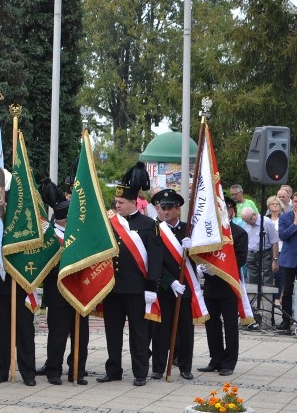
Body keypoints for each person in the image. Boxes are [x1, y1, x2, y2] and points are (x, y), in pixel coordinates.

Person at [98, 162, 162, 386]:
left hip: (136, 289)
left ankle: (140, 372)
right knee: (112, 331)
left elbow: (155, 258)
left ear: (134, 202)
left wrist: (151, 287)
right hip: (112, 287)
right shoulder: (110, 223)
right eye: (116, 202)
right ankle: (113, 369)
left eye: (121, 203)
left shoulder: (148, 224)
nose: (117, 206)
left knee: (139, 333)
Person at [38, 178, 89, 386]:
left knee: (81, 335)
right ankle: (54, 371)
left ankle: (77, 370)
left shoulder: (78, 236)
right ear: (64, 218)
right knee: (57, 335)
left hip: (79, 291)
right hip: (57, 293)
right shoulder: (49, 237)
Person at [198, 197, 248, 376]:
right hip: (211, 285)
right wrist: (202, 267)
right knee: (211, 324)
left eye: (226, 209)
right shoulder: (210, 232)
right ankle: (216, 359)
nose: (223, 212)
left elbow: (240, 259)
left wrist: (218, 269)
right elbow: (202, 252)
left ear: (232, 211)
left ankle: (229, 362)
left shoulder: (239, 233)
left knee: (230, 325)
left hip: (228, 285)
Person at [150, 188, 193, 380]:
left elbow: (199, 260)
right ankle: (158, 368)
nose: (165, 212)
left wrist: (193, 251)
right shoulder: (155, 231)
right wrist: (171, 281)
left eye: (169, 208)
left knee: (185, 329)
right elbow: (152, 262)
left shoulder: (189, 229)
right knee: (161, 330)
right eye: (162, 208)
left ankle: (185, 367)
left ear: (178, 209)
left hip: (186, 287)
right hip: (165, 287)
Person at [241, 207, 279, 291]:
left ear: (254, 214)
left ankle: (266, 301)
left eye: (250, 219)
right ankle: (253, 301)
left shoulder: (266, 222)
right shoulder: (246, 223)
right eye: (246, 221)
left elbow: (275, 242)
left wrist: (275, 260)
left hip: (265, 253)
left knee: (267, 278)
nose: (249, 222)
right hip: (250, 253)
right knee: (251, 279)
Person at [276, 192, 297, 332]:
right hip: (289, 260)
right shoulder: (284, 217)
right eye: (296, 201)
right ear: (293, 202)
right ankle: (286, 320)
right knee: (287, 291)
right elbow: (282, 235)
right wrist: (295, 224)